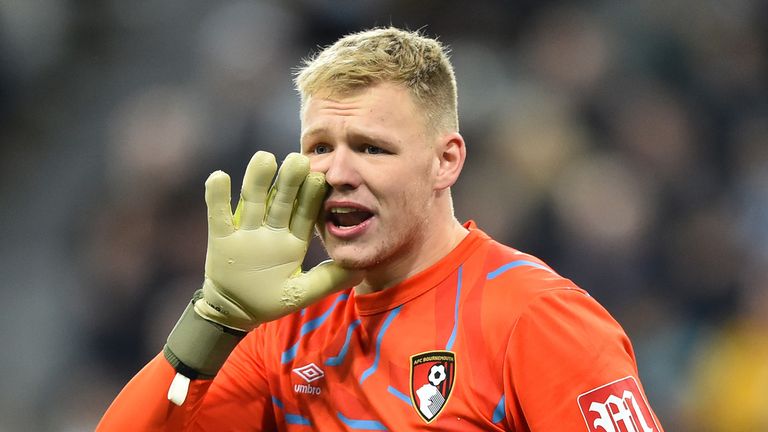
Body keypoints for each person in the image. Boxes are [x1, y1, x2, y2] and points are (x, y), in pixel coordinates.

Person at [98, 27, 664, 431]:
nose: (338, 173)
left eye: (371, 147)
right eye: (320, 147)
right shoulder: (285, 331)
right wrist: (212, 319)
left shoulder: (536, 318)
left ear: (446, 161)